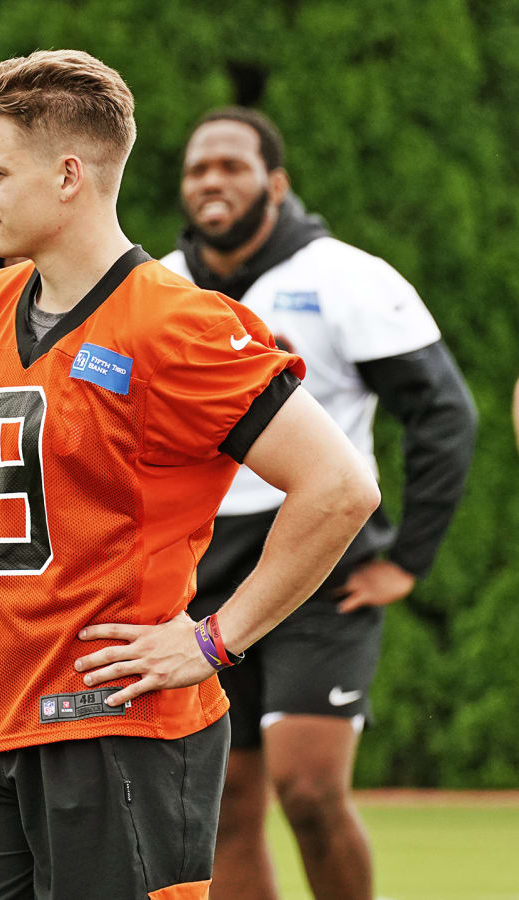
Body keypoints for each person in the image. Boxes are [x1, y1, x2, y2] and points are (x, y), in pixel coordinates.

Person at [0, 50, 381, 900]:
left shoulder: (180, 325)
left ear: (67, 176)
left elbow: (341, 487)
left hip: (114, 729)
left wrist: (214, 638)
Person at [160, 107, 477, 900]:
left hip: (316, 558)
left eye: (231, 166)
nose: (211, 181)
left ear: (275, 182)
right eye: (198, 168)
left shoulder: (345, 277)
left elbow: (444, 414)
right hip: (201, 571)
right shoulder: (157, 285)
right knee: (223, 802)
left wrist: (407, 560)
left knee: (307, 790)